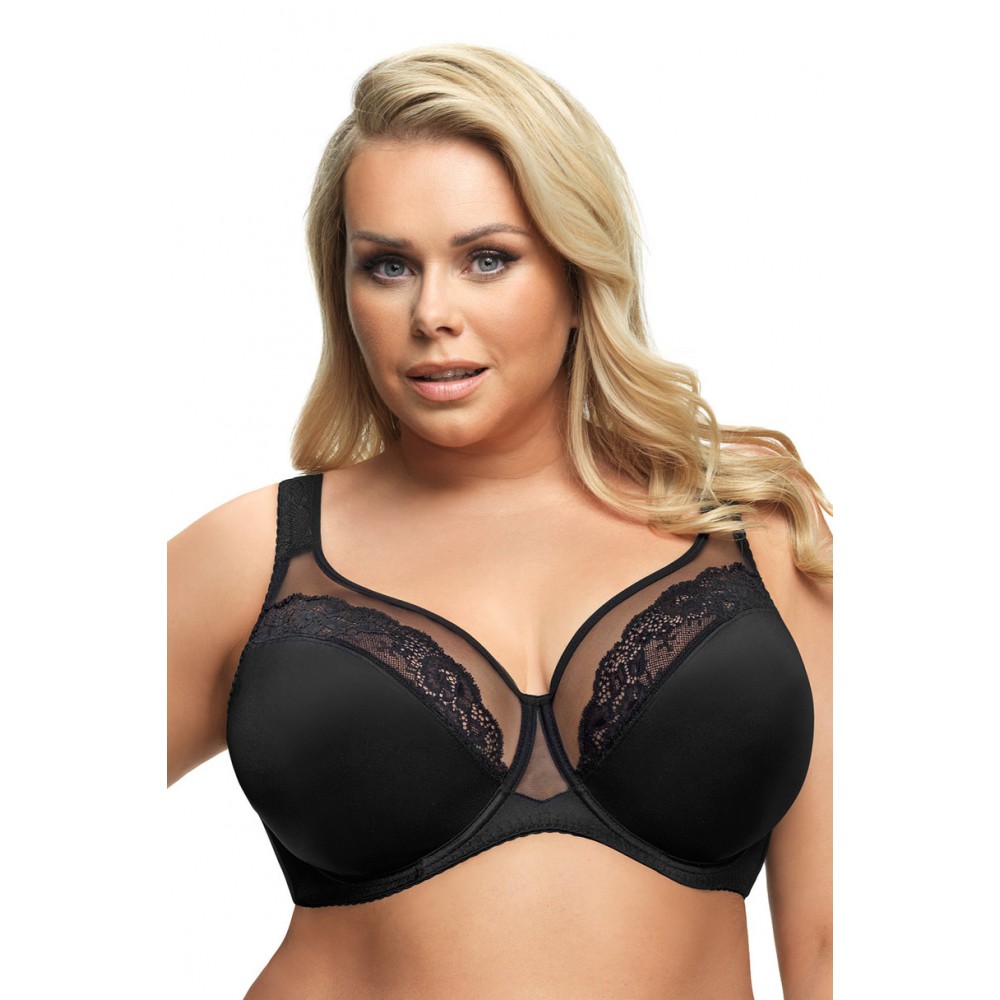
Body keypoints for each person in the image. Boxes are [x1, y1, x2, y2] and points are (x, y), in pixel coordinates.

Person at [168, 44, 832, 1000]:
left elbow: (830, 944)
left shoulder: (756, 536)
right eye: (388, 266)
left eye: (488, 259)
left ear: (577, 271)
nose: (431, 312)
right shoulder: (253, 556)